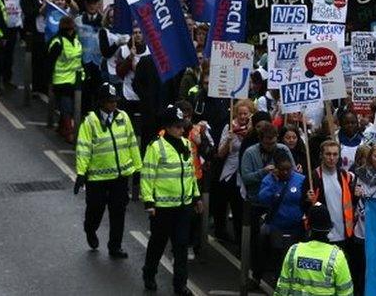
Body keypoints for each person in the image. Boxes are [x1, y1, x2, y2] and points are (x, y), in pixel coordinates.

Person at [73, 83, 140, 258]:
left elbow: (132, 143)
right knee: (95, 209)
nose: (113, 105)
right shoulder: (90, 121)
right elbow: (83, 148)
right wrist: (81, 173)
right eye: (110, 102)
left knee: (118, 212)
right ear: (101, 102)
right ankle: (90, 229)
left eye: (115, 101)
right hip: (97, 178)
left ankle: (115, 246)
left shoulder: (123, 117)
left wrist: (138, 169)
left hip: (119, 176)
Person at [141, 104, 202, 296]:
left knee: (181, 246)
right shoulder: (156, 147)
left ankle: (180, 285)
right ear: (167, 126)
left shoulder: (185, 144)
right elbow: (148, 175)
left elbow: (190, 173)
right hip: (163, 207)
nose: (181, 129)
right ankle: (149, 273)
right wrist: (149, 202)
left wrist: (196, 196)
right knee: (158, 243)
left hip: (183, 206)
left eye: (182, 126)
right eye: (177, 126)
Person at [241, 121, 294, 287]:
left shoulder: (283, 150)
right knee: (258, 243)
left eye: (273, 142)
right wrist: (263, 173)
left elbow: (293, 171)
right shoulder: (250, 153)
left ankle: (278, 275)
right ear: (260, 140)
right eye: (267, 142)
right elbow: (246, 177)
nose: (271, 146)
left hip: (279, 203)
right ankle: (256, 275)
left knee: (279, 243)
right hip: (258, 203)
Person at [307, 140, 360, 293]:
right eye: (328, 154)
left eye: (335, 154)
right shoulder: (314, 177)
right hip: (322, 236)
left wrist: (356, 196)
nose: (331, 158)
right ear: (321, 156)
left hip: (344, 236)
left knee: (341, 275)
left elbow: (350, 204)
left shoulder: (346, 176)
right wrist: (309, 201)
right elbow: (305, 207)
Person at [274, 203, 353, 296]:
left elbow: (282, 289)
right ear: (329, 228)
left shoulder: (294, 251)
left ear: (307, 225)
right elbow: (346, 292)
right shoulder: (336, 256)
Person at [258, 150, 307, 269]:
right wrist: (274, 182)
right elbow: (263, 198)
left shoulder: (300, 179)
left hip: (296, 227)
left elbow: (307, 198)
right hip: (277, 226)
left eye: (288, 169)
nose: (285, 172)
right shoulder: (269, 180)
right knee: (278, 256)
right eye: (282, 169)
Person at [213, 99, 253, 242]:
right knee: (222, 204)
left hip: (244, 174)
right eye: (240, 114)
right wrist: (229, 139)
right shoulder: (229, 127)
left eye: (246, 114)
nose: (243, 117)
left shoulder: (253, 129)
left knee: (239, 209)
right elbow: (220, 153)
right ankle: (220, 231)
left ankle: (240, 239)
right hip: (229, 172)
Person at [48, 16, 85, 142]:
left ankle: (61, 128)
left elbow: (79, 60)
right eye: (69, 29)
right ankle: (70, 133)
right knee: (67, 107)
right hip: (62, 81)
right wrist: (49, 80)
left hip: (76, 80)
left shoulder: (76, 40)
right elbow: (49, 62)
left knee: (72, 107)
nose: (71, 31)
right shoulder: (57, 42)